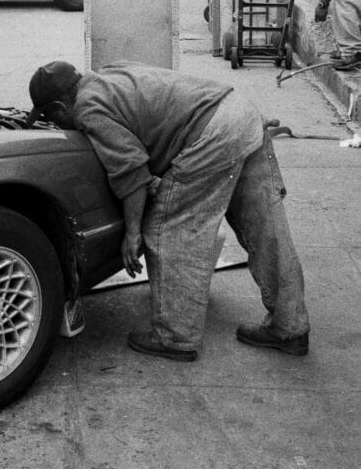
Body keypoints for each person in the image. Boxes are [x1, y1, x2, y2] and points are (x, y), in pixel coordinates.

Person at [26, 60, 310, 362]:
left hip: (213, 134)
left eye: (51, 118)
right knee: (268, 229)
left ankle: (175, 336)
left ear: (58, 108)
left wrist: (132, 234)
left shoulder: (87, 108)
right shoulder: (109, 74)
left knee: (168, 229)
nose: (57, 124)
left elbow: (132, 171)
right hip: (242, 113)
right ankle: (290, 326)